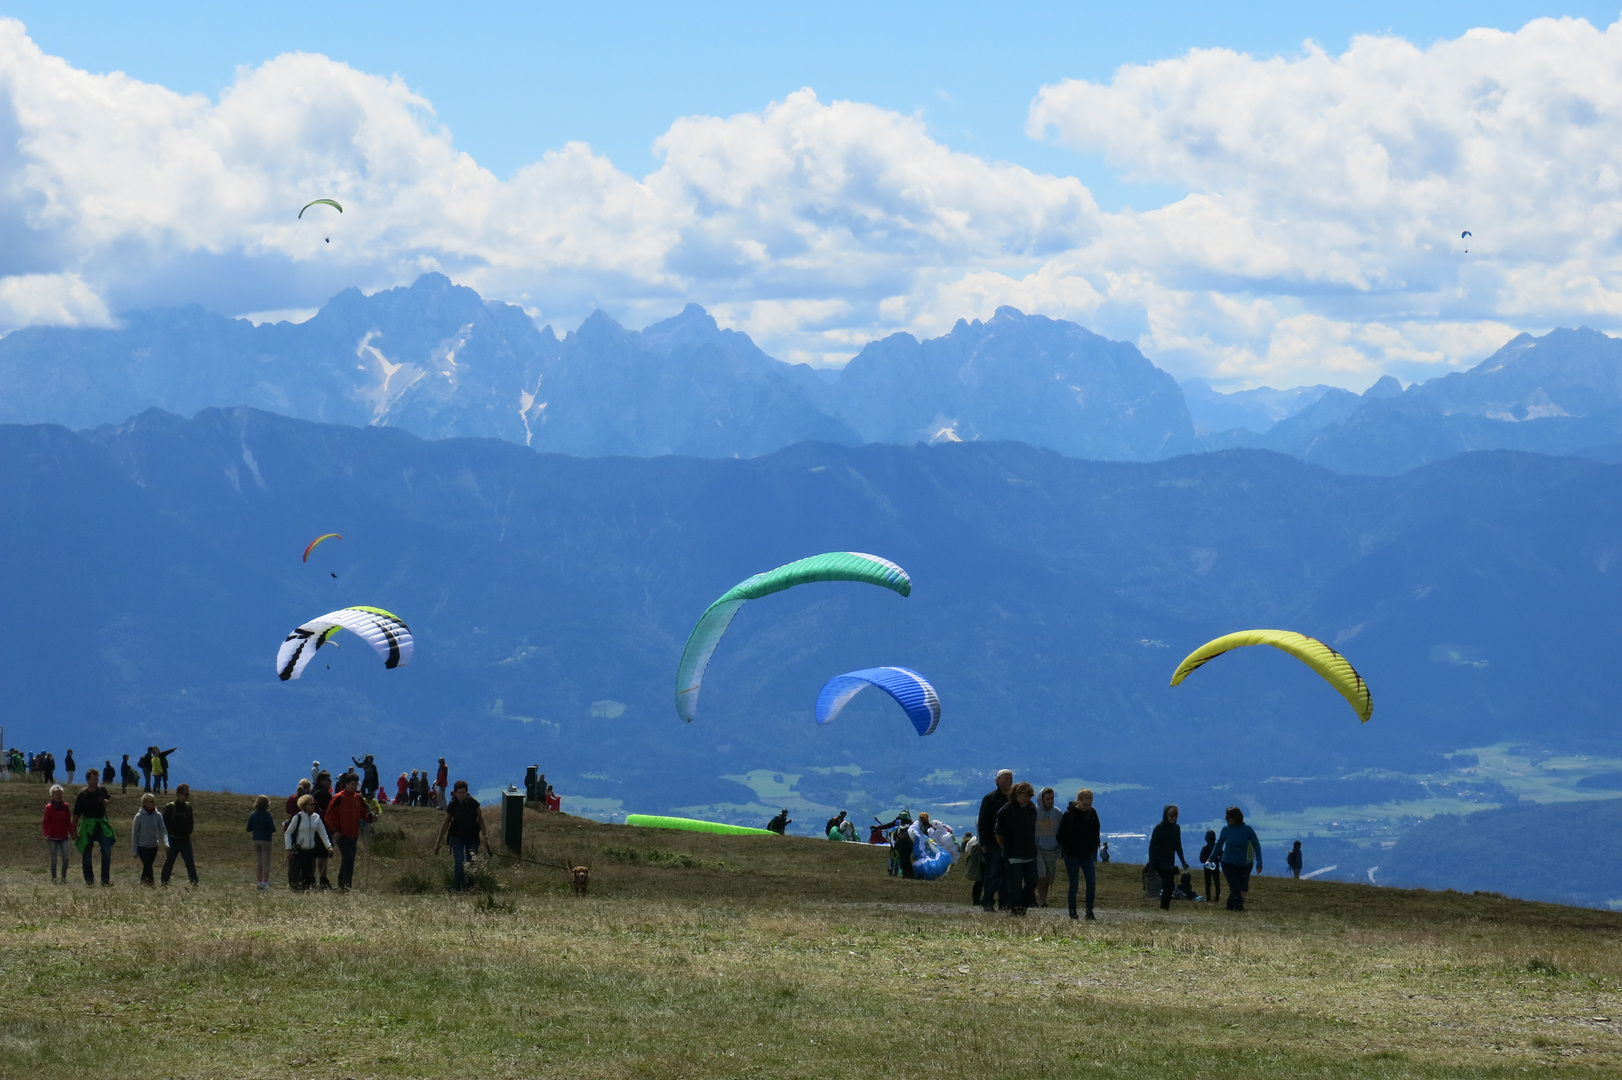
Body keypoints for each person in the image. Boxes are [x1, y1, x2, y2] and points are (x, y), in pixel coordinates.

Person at [1056, 788, 1101, 920]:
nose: (1088, 807)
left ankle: (1089, 910)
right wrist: (1068, 846)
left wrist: (1093, 847)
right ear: (1078, 801)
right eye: (1085, 805)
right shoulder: (1069, 815)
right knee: (1074, 884)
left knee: (1091, 882)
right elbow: (1060, 835)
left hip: (1087, 854)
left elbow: (1096, 831)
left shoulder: (1092, 814)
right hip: (1072, 854)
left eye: (1090, 804)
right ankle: (1072, 911)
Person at [435, 780, 488, 891]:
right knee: (459, 861)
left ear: (467, 792)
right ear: (455, 793)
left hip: (472, 836)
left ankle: (471, 885)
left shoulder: (473, 803)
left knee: (471, 861)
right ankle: (459, 886)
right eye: (459, 792)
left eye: (463, 792)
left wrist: (485, 837)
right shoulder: (452, 805)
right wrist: (438, 842)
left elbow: (481, 819)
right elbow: (446, 823)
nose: (461, 795)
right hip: (457, 837)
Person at [995, 781, 1039, 915]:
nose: (1027, 799)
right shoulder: (1006, 810)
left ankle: (1023, 906)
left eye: (1029, 796)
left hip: (1030, 852)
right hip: (1013, 852)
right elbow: (999, 833)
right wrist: (1006, 847)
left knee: (1032, 881)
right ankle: (1015, 909)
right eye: (1025, 796)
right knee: (1015, 885)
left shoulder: (1032, 809)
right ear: (1017, 794)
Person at [326, 774, 375, 891]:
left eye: (356, 784)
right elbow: (329, 815)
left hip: (353, 834)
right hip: (342, 834)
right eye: (352, 784)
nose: (354, 786)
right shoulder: (338, 798)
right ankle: (346, 885)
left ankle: (343, 885)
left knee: (349, 859)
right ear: (346, 784)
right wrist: (335, 830)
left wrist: (371, 818)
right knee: (349, 858)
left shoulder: (358, 798)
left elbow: (364, 813)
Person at [1213, 806, 1264, 911]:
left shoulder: (1247, 830)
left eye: (1228, 818)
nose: (1226, 820)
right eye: (1226, 818)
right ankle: (1239, 907)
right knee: (1235, 886)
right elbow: (1218, 845)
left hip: (1242, 863)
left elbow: (1256, 845)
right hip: (1227, 862)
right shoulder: (1226, 830)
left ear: (1235, 818)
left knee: (1239, 886)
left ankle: (1230, 906)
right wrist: (1211, 858)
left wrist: (1259, 863)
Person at [977, 769, 1014, 912]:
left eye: (1010, 778)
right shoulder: (990, 798)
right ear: (997, 781)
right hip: (992, 843)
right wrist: (983, 842)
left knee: (1007, 874)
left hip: (1009, 843)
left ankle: (1004, 901)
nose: (1009, 781)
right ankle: (988, 900)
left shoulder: (1013, 798)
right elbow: (983, 821)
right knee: (992, 873)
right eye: (1005, 778)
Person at [71, 770, 115, 886]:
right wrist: (73, 831)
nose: (95, 781)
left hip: (100, 823)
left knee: (106, 851)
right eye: (93, 779)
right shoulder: (82, 795)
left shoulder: (102, 791)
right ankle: (89, 881)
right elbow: (76, 814)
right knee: (87, 853)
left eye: (97, 779)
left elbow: (108, 799)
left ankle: (105, 880)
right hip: (87, 824)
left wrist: (107, 802)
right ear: (88, 780)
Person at [285, 794, 332, 892]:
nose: (313, 806)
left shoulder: (316, 818)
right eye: (310, 804)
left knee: (307, 874)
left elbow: (323, 833)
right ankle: (294, 889)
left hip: (310, 851)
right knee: (295, 873)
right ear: (304, 805)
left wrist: (329, 846)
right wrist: (288, 848)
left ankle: (305, 891)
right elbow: (288, 832)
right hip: (299, 850)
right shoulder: (298, 817)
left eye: (313, 804)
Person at [1147, 805, 1189, 911]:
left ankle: (1164, 907)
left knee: (1169, 885)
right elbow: (1152, 847)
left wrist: (1183, 861)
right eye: (1170, 815)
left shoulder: (1176, 828)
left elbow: (1178, 846)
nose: (1172, 818)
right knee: (1169, 884)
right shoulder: (1159, 828)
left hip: (1170, 861)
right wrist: (1152, 865)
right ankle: (1164, 908)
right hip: (1159, 861)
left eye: (1174, 815)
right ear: (1166, 815)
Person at [161, 784, 199, 886]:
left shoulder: (188, 807)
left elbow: (191, 822)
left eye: (188, 794)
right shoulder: (170, 807)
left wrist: (189, 831)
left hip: (185, 840)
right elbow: (163, 823)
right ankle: (164, 882)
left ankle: (194, 882)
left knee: (190, 862)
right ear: (178, 794)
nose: (187, 796)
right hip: (173, 840)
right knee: (169, 862)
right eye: (185, 794)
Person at [1033, 787, 1063, 908]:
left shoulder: (1057, 813)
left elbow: (1061, 831)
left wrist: (1060, 848)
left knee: (1049, 878)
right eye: (1047, 799)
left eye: (1052, 798)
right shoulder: (1034, 812)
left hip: (1052, 849)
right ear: (1041, 799)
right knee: (1041, 874)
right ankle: (1040, 899)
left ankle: (1043, 899)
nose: (1050, 801)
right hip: (1037, 848)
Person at [131, 792, 168, 886]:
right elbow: (134, 834)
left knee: (148, 867)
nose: (153, 804)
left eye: (154, 802)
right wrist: (134, 850)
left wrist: (166, 842)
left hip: (153, 846)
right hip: (142, 846)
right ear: (145, 803)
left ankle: (142, 884)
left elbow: (163, 830)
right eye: (151, 802)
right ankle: (151, 885)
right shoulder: (139, 817)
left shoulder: (158, 815)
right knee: (148, 866)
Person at [41, 785, 73, 884]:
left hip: (63, 836)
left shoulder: (66, 806)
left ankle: (63, 878)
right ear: (52, 795)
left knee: (66, 858)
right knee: (54, 859)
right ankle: (54, 879)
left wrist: (73, 833)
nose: (58, 796)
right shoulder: (49, 807)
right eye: (56, 794)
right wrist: (46, 834)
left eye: (60, 794)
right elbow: (45, 822)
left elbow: (68, 821)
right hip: (52, 837)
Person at [311, 771, 335, 889]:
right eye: (328, 780)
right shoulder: (325, 794)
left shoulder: (312, 792)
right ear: (321, 781)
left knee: (312, 854)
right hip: (323, 826)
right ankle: (323, 879)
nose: (330, 782)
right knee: (323, 855)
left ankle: (310, 878)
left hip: (311, 827)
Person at [247, 795, 276, 890]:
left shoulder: (253, 814)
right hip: (266, 840)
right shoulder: (268, 815)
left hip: (256, 839)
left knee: (259, 862)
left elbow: (248, 828)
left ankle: (259, 882)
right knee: (266, 862)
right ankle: (265, 882)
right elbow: (272, 829)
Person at [1199, 829, 1222, 906]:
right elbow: (1222, 856)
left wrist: (1206, 861)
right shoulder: (1217, 847)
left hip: (1207, 867)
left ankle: (1208, 898)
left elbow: (1201, 859)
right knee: (1217, 883)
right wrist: (1217, 861)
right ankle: (1217, 898)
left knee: (1208, 883)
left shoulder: (1205, 848)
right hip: (1216, 866)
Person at [961, 831, 984, 905]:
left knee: (979, 882)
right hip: (983, 861)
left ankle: (976, 901)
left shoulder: (973, 840)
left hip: (976, 862)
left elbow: (967, 850)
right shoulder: (975, 839)